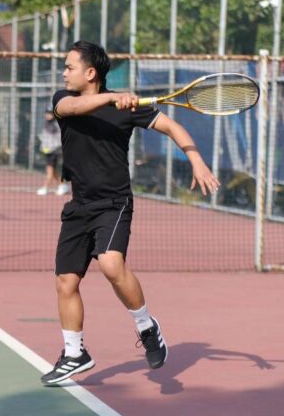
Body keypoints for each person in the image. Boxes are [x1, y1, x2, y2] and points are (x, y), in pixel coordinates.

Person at [40, 41, 220, 386]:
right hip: (79, 205)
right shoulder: (63, 100)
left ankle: (146, 326)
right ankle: (75, 353)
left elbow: (173, 128)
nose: (64, 73)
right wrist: (112, 97)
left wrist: (195, 159)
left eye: (69, 67)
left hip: (113, 202)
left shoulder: (129, 109)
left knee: (110, 263)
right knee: (66, 282)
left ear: (90, 73)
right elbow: (74, 108)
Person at [36, 110, 70, 196]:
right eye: (46, 113)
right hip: (48, 152)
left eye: (50, 113)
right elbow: (45, 137)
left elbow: (59, 139)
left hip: (54, 152)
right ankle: (63, 185)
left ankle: (45, 188)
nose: (47, 115)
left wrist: (53, 148)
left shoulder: (55, 125)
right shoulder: (47, 124)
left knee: (49, 171)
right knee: (53, 171)